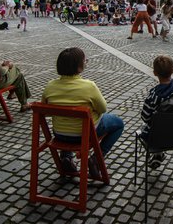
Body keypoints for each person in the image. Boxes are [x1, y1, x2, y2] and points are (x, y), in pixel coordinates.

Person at [41, 47, 124, 177]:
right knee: (118, 123)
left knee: (68, 121)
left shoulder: (50, 86)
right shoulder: (89, 86)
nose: (86, 62)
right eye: (85, 61)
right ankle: (96, 159)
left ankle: (66, 157)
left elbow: (45, 111)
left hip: (60, 134)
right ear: (79, 67)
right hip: (84, 135)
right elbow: (103, 109)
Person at [140, 55, 173, 169]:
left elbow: (145, 117)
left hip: (157, 138)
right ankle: (158, 154)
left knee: (145, 127)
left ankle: (158, 153)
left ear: (155, 73)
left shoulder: (154, 95)